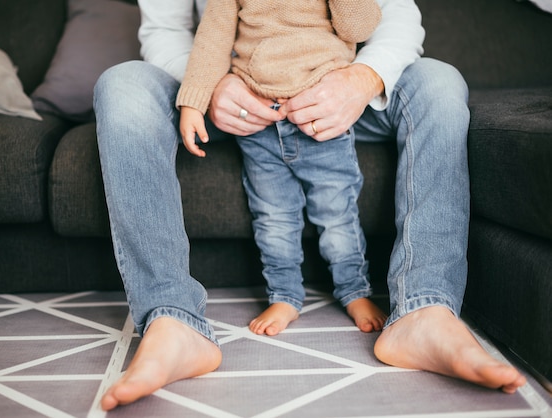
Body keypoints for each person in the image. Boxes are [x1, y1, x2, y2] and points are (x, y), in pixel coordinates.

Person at [93, 0, 527, 411]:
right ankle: (173, 322)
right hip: (238, 88)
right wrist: (209, 87)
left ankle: (424, 311)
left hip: (336, 77)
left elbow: (393, 16)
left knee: (439, 80)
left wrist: (362, 79)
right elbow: (168, 30)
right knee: (122, 84)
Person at [177, 0, 386, 337]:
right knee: (273, 218)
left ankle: (355, 291)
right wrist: (193, 101)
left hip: (321, 118)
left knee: (338, 217)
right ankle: (285, 296)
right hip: (258, 121)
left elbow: (359, 28)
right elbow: (212, 39)